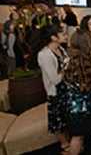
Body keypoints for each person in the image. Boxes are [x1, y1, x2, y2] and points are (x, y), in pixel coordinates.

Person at [37, 25, 69, 153]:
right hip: (55, 92)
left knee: (66, 117)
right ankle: (64, 144)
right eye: (62, 34)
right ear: (53, 37)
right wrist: (66, 67)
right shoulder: (44, 55)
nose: (66, 36)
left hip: (65, 89)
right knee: (57, 121)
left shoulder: (60, 49)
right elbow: (55, 79)